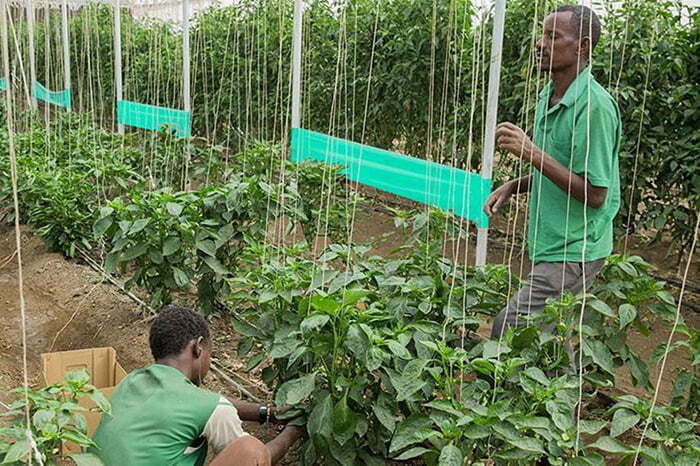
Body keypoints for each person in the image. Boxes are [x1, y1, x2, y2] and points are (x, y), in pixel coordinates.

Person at [484, 5, 621, 339]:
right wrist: (515, 186)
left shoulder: (594, 108)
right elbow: (561, 167)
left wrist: (530, 152)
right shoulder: (551, 94)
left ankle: (496, 391)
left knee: (510, 327)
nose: (540, 44)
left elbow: (596, 194)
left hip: (574, 248)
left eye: (552, 36)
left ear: (583, 46)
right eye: (541, 35)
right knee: (549, 338)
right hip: (551, 242)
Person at [91, 306, 303, 466]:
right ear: (198, 347)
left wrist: (266, 413)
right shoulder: (210, 408)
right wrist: (294, 430)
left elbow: (201, 403)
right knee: (251, 450)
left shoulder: (133, 380)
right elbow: (254, 459)